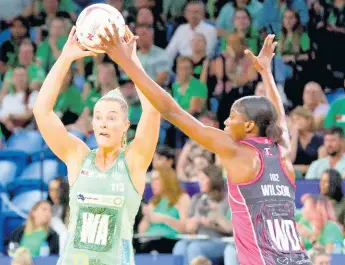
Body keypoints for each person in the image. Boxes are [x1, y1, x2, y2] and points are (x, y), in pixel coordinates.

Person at [99, 27, 311, 264]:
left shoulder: (237, 152)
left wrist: (126, 63)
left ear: (250, 125)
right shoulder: (281, 153)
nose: (226, 121)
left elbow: (171, 110)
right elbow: (278, 117)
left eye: (233, 116)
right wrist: (266, 73)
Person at [33, 27, 160, 265]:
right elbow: (41, 111)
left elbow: (152, 110)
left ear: (125, 125)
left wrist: (131, 61)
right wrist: (65, 58)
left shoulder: (133, 161)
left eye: (111, 117)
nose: (103, 123)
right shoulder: (79, 156)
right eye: (98, 117)